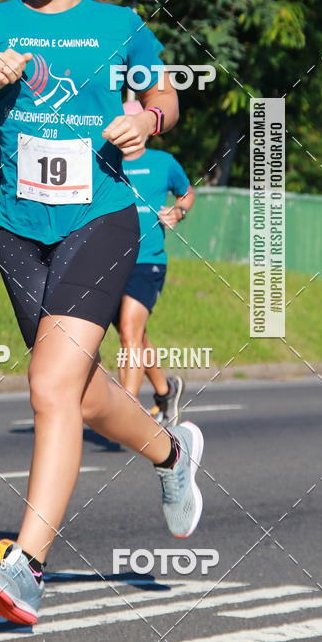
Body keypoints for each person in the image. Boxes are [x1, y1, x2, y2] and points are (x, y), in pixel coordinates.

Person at [0, 0, 204, 626]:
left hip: (103, 220)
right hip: (20, 231)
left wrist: (144, 118)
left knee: (49, 383)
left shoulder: (120, 25)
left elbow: (167, 100)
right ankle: (173, 455)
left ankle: (26, 567)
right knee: (77, 394)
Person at [114, 99, 195, 426]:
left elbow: (186, 193)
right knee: (131, 333)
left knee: (130, 331)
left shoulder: (163, 163)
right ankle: (165, 391)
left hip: (147, 260)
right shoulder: (102, 161)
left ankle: (127, 411)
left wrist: (178, 212)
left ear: (146, 128)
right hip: (107, 262)